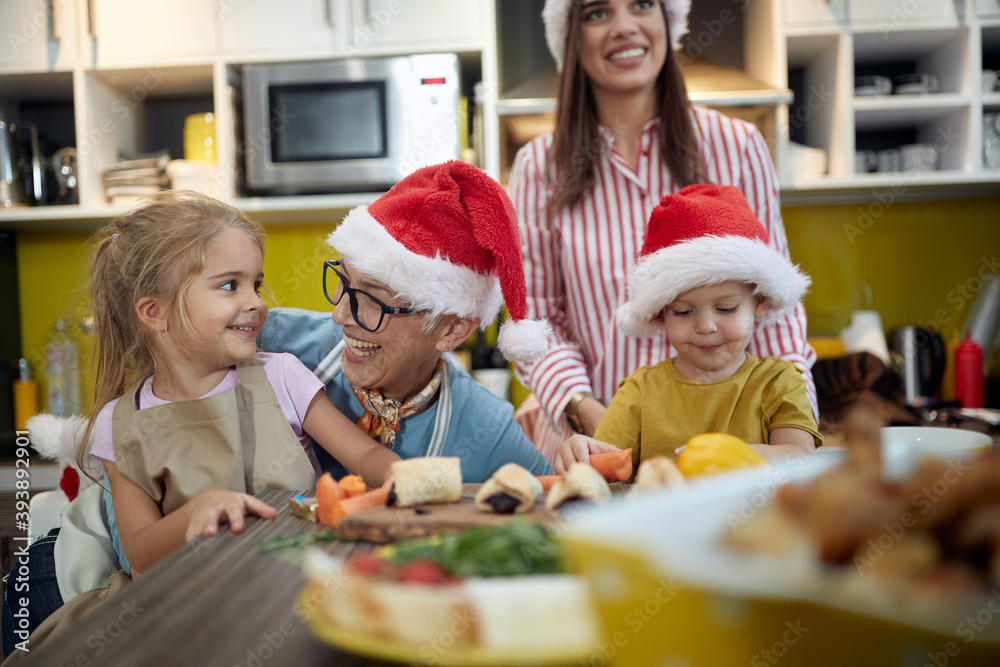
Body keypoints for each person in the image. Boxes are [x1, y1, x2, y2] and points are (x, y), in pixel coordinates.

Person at [1, 191, 402, 661]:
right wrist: (195, 515)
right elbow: (143, 553)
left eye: (257, 282)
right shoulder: (119, 423)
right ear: (155, 313)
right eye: (229, 285)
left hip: (290, 590)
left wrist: (402, 477)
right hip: (178, 610)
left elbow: (366, 455)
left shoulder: (283, 376)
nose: (256, 302)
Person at [509, 0, 817, 461]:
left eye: (642, 5)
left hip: (728, 443)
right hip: (593, 442)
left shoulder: (737, 146)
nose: (624, 26)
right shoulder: (539, 167)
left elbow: (775, 308)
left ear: (667, 20)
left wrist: (795, 429)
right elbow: (534, 320)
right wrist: (588, 410)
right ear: (571, 38)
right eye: (597, 13)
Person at [260, 160, 555, 483]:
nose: (340, 315)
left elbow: (564, 513)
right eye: (344, 282)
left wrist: (578, 466)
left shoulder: (487, 429)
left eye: (372, 298)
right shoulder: (273, 340)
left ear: (452, 329)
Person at [555, 184, 821, 474]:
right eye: (683, 312)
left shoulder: (779, 383)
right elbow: (604, 472)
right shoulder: (639, 393)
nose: (706, 327)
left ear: (760, 303)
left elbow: (800, 455)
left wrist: (734, 455)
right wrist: (580, 455)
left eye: (726, 309)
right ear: (660, 315)